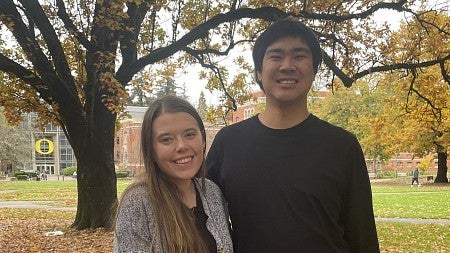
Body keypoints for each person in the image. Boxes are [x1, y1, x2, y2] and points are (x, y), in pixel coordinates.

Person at [206, 17, 379, 252]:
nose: (287, 65)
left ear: (315, 70)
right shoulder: (228, 143)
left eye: (299, 56)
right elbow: (199, 219)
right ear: (258, 72)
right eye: (275, 56)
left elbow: (363, 237)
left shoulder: (342, 146)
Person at [114, 96, 233, 253]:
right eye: (167, 139)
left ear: (203, 139)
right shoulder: (138, 203)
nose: (181, 146)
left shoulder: (212, 193)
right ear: (151, 148)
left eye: (190, 135)